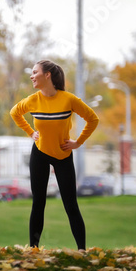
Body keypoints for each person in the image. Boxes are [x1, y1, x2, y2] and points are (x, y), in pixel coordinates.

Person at [10, 60, 99, 250]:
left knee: (71, 206)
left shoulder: (68, 99)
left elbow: (93, 119)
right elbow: (14, 113)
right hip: (40, 154)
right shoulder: (33, 100)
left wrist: (78, 142)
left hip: (63, 156)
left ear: (47, 75)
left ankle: (82, 251)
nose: (32, 76)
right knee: (38, 204)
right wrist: (30, 132)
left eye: (35, 72)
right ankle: (34, 250)